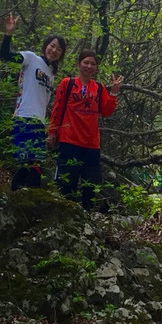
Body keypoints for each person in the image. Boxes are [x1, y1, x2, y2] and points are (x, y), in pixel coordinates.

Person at [47, 49, 123, 210]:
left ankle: (88, 218)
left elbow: (106, 112)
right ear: (79, 64)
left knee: (90, 185)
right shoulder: (67, 84)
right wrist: (52, 132)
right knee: (67, 182)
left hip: (91, 144)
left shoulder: (99, 88)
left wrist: (113, 93)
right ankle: (66, 215)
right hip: (69, 140)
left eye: (93, 64)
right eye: (86, 62)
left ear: (96, 67)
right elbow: (57, 109)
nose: (89, 66)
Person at [0, 14, 67, 190]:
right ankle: (25, 197)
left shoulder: (51, 74)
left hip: (38, 121)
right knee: (30, 161)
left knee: (33, 162)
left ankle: (21, 197)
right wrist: (8, 34)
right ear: (46, 46)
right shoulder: (31, 58)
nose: (54, 50)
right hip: (24, 116)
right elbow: (6, 55)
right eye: (52, 46)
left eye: (58, 49)